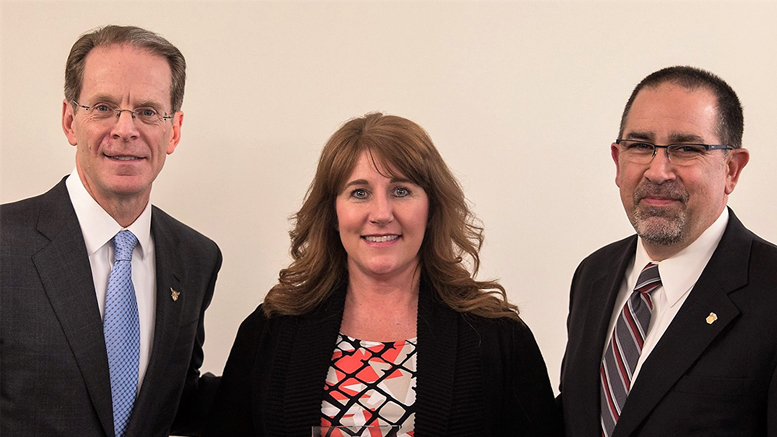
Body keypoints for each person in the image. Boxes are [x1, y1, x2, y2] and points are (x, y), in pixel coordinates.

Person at [205, 113, 561, 436]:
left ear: (432, 207)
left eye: (401, 191)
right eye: (359, 193)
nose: (381, 213)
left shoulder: (498, 337)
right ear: (332, 212)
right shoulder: (270, 330)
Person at [0, 25, 221, 437]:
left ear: (173, 131)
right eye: (103, 107)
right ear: (70, 121)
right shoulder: (4, 244)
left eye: (148, 111)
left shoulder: (196, 258)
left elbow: (176, 398)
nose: (125, 129)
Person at [559, 66, 777, 436]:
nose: (658, 171)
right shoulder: (594, 274)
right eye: (641, 146)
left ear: (731, 170)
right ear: (617, 160)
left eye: (687, 149)